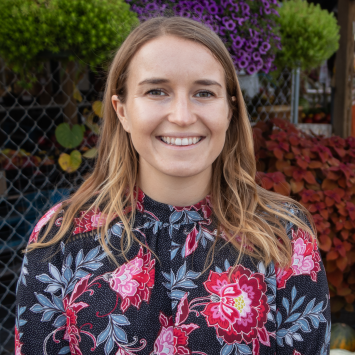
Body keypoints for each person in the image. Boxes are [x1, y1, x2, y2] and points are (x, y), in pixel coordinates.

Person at [15, 17, 330, 355]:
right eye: (157, 91)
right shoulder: (60, 239)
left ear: (229, 110)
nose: (182, 115)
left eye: (204, 92)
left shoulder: (284, 235)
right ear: (122, 111)